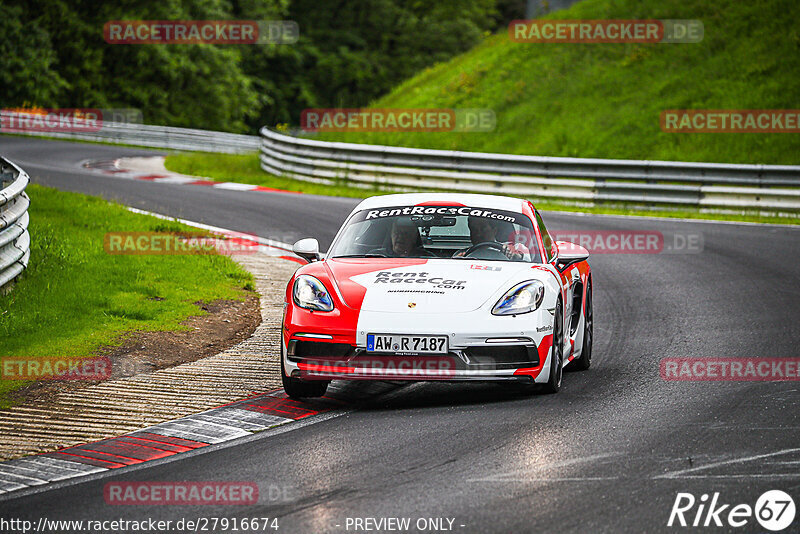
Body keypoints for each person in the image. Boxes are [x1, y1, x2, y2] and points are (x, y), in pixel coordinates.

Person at [453, 216, 528, 260]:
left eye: (483, 229)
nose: (478, 234)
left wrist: (515, 255)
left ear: (494, 230)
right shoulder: (463, 253)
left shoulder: (514, 248)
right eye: (474, 229)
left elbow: (529, 262)